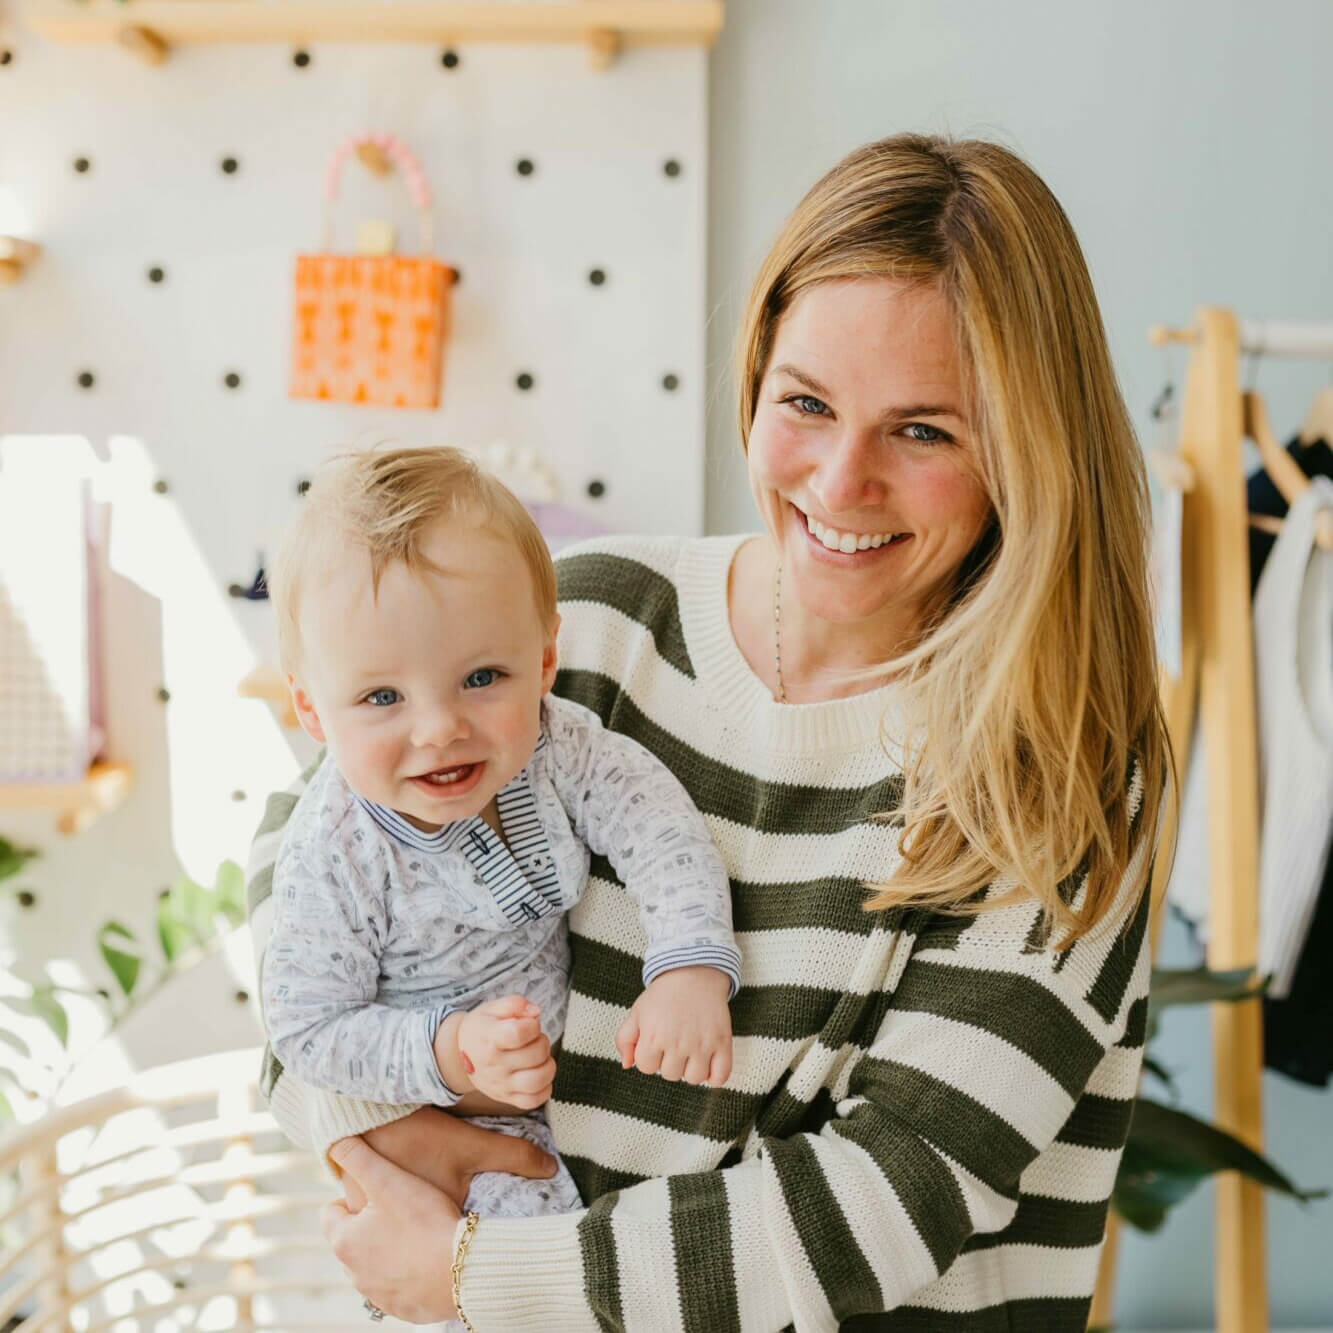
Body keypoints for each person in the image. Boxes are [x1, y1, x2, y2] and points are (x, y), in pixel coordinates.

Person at [246, 132, 1171, 1331]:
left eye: (924, 431)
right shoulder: (580, 619)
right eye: (805, 403)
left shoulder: (1055, 764)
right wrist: (407, 1121)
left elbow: (885, 1201)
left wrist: (483, 1271)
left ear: (1026, 448)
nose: (840, 483)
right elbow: (302, 904)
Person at [259, 446, 740, 1244]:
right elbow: (307, 1028)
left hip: (563, 1106)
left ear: (544, 660)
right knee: (512, 1265)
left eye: (482, 677)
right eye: (381, 696)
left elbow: (657, 826)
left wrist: (688, 967)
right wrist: (450, 1052)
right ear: (313, 714)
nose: (439, 727)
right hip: (423, 1115)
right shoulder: (333, 852)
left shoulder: (561, 749)